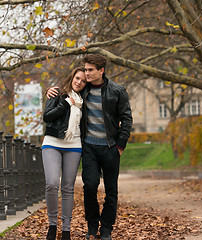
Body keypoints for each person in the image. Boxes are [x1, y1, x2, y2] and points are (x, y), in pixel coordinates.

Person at [47, 54, 133, 240]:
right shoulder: (82, 91)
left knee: (111, 189)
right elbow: (66, 92)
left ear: (101, 70)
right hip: (89, 147)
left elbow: (126, 118)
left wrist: (121, 145)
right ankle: (92, 226)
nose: (86, 74)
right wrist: (50, 90)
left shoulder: (117, 91)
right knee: (90, 186)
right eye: (85, 70)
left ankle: (107, 229)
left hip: (111, 147)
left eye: (90, 70)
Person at [42, 67, 87, 240]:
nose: (79, 82)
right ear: (72, 77)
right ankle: (52, 225)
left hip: (74, 145)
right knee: (52, 183)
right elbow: (47, 117)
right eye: (77, 78)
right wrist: (65, 104)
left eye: (83, 81)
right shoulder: (57, 93)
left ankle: (66, 230)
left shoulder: (85, 99)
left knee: (68, 188)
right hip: (52, 142)